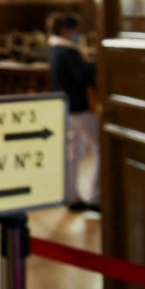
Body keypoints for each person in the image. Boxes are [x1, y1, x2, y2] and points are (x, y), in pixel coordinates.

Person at [47, 13, 100, 212]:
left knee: (72, 152)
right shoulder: (67, 51)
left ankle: (71, 196)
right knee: (99, 149)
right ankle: (95, 196)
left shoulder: (54, 49)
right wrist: (97, 63)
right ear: (66, 31)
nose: (78, 34)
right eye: (76, 30)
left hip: (66, 106)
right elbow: (82, 74)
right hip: (80, 106)